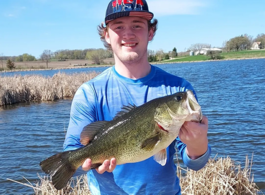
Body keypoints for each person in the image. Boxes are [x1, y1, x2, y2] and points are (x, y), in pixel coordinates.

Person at [63, 0, 211, 194]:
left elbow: (195, 164)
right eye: (118, 26)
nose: (128, 34)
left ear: (150, 32)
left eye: (137, 25)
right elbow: (71, 158)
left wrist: (198, 143)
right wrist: (89, 162)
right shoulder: (90, 93)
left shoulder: (179, 89)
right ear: (107, 35)